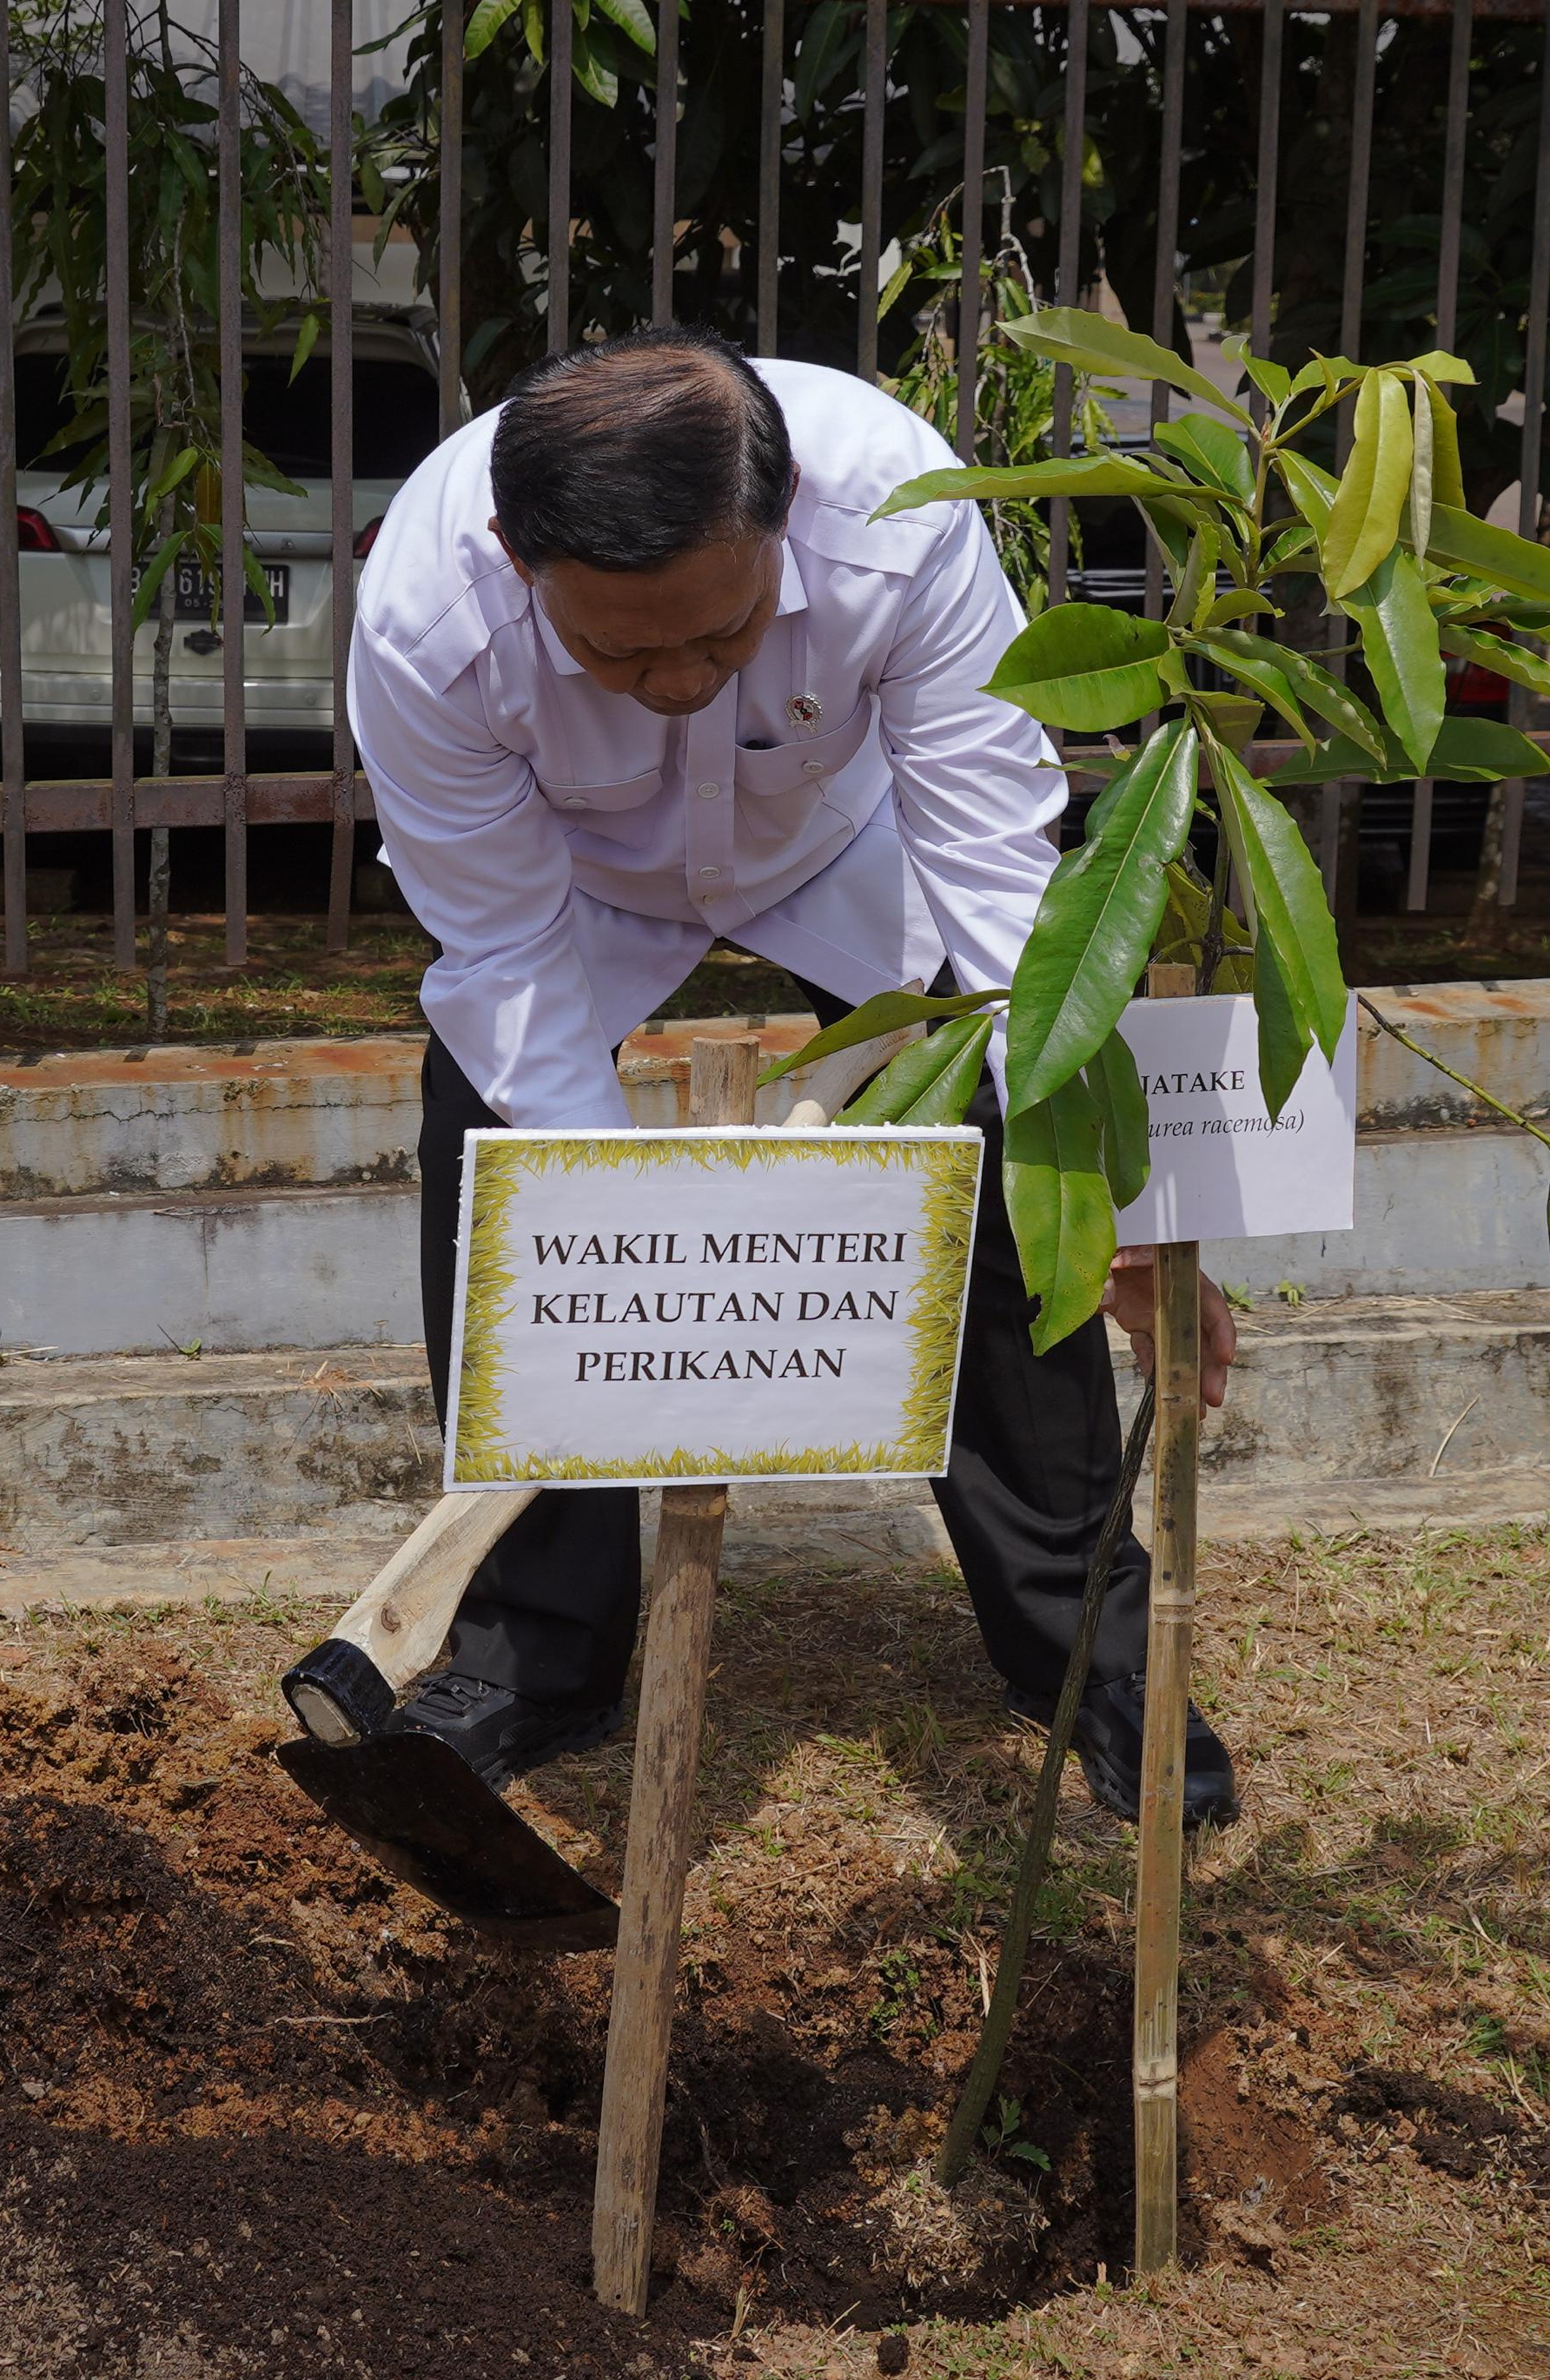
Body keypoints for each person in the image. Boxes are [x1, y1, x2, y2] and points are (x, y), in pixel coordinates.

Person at [340, 322, 1239, 1826]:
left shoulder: (898, 509)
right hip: (577, 883)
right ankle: (530, 1649)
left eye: (727, 631)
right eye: (623, 651)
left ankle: (1087, 1643)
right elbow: (497, 954)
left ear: (783, 519)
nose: (682, 679)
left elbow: (999, 865)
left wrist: (1107, 1198)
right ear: (516, 555)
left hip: (843, 842)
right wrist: (601, 1233)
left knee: (999, 1166)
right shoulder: (426, 614)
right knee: (499, 1186)